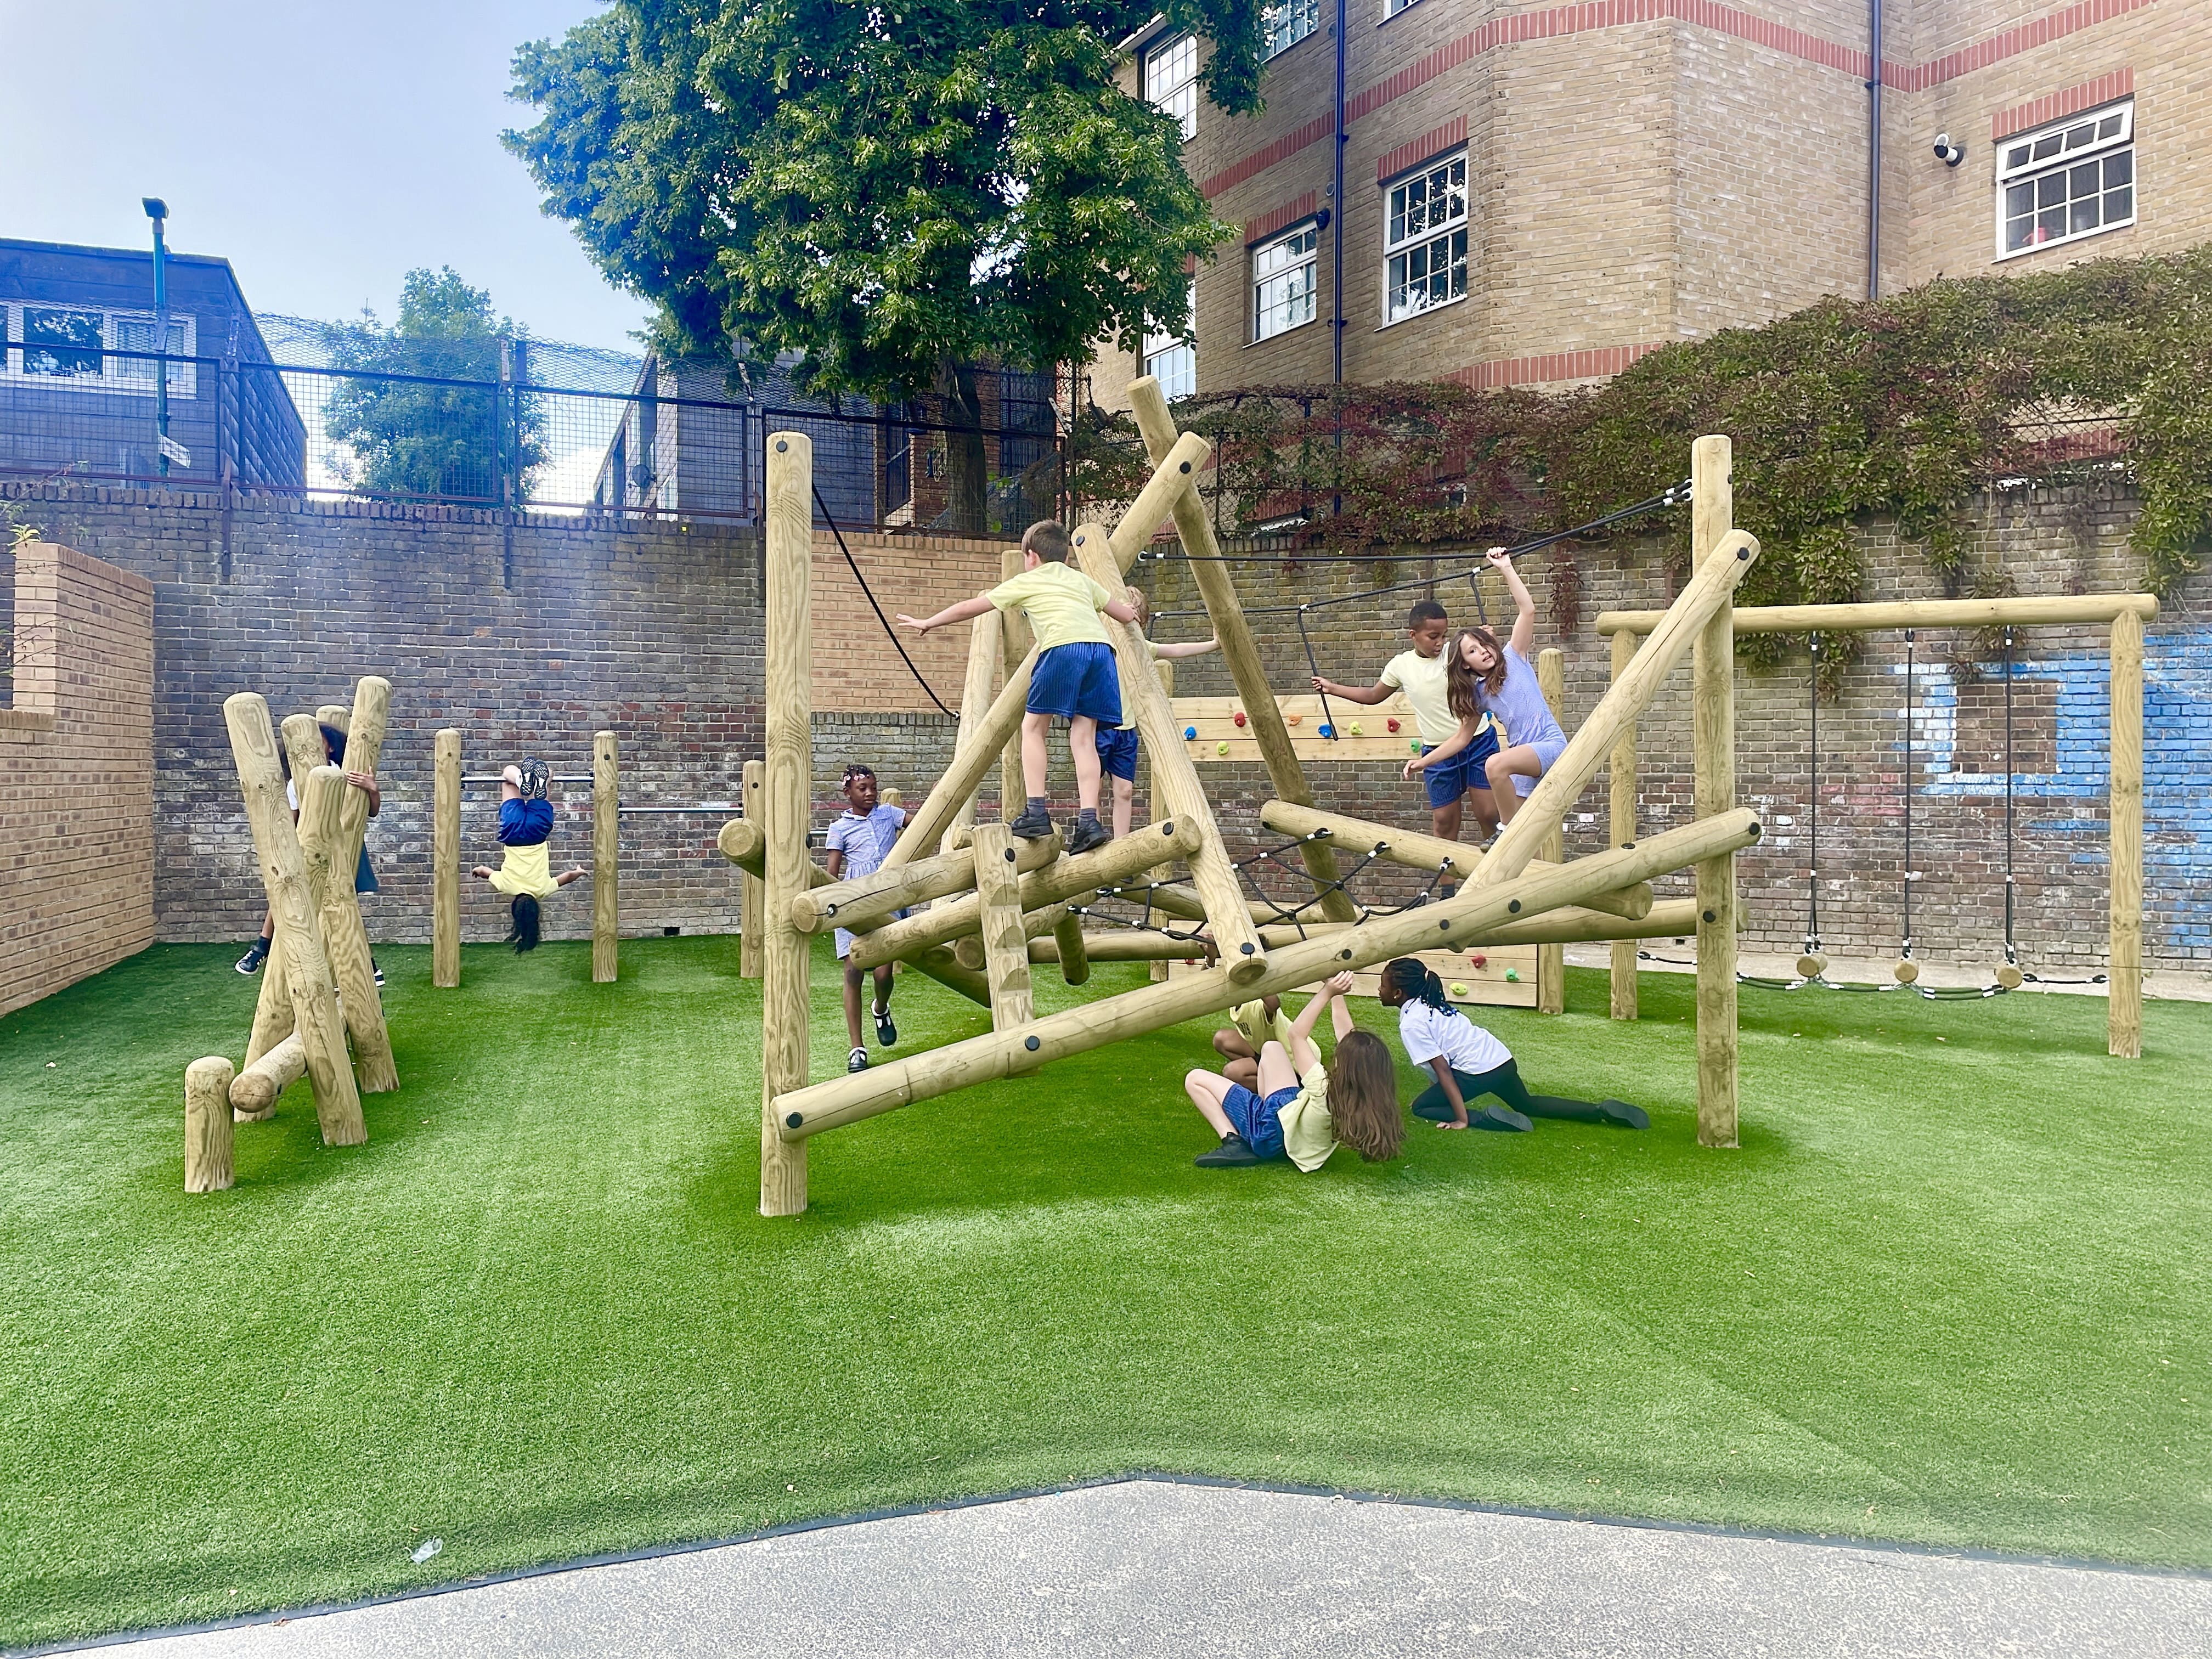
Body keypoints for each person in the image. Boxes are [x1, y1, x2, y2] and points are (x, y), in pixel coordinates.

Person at [896, 520, 1139, 854]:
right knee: (1084, 737)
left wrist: (929, 622)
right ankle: (1089, 822)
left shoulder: (1028, 580)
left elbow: (973, 606)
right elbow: (1124, 615)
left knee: (1033, 729)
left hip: (1062, 650)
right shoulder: (1082, 581)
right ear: (1064, 557)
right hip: (1101, 653)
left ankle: (1037, 811)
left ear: (1031, 556)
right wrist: (1135, 613)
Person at [1312, 598, 1498, 873]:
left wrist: (1486, 642)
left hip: (1478, 743)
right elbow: (1373, 696)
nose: (1439, 642)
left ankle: (1496, 877)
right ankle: (1445, 893)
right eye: (1433, 636)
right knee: (1445, 823)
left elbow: (1482, 656)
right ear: (1414, 635)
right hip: (1437, 751)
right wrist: (1332, 688)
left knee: (1489, 814)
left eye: (1443, 635)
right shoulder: (1401, 666)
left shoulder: (1454, 654)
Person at [1376, 958, 1647, 1131]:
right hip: (1501, 1060)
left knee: (1421, 1107)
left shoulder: (1412, 1022)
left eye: (1383, 986)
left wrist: (1462, 1119)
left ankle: (1485, 1119)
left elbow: (1444, 1071)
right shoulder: (1431, 1002)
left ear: (1398, 993)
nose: (1380, 991)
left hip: (1477, 1072)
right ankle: (1598, 1111)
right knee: (1528, 1104)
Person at [1405, 549, 1567, 829]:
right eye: (1473, 651)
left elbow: (1528, 610)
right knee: (1526, 839)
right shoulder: (1478, 695)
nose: (1483, 652)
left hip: (1549, 746)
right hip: (1520, 765)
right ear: (1465, 664)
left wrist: (1505, 567)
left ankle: (1503, 832)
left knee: (1494, 765)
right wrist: (1424, 762)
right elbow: (1460, 740)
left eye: (1483, 645)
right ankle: (1520, 852)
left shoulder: (1514, 657)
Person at [1182, 973, 1404, 1169]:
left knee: (1195, 1079)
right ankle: (1261, 1109)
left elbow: (1296, 1034)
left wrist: (1327, 992)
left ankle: (1234, 1142)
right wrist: (1336, 991)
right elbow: (1347, 1034)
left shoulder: (1321, 1086)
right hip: (1292, 1122)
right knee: (1272, 1048)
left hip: (1271, 1137)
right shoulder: (1361, 1095)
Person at [235, 721, 385, 984]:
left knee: (344, 903)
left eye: (321, 740)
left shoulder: (346, 773)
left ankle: (368, 964)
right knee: (286, 891)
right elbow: (294, 821)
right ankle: (261, 947)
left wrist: (373, 789)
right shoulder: (296, 783)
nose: (314, 746)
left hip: (342, 847)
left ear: (330, 745)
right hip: (311, 846)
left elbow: (371, 811)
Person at [1101, 588, 1217, 839]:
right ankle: (1089, 836)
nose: (1135, 632)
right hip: (1098, 726)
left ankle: (1120, 845)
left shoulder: (1140, 647)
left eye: (1139, 626)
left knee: (1124, 791)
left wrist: (1214, 644)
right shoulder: (1101, 641)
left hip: (1126, 729)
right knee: (1091, 786)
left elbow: (1175, 649)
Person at [823, 763, 913, 1075]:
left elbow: (923, 826)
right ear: (847, 793)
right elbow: (831, 875)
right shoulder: (840, 828)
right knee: (853, 973)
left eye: (873, 787)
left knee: (883, 975)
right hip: (854, 902)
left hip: (889, 898)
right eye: (862, 789)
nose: (870, 793)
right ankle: (856, 1048)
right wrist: (831, 907)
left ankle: (881, 1008)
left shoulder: (889, 814)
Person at [471, 757, 588, 953]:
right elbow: (485, 871)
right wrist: (477, 871)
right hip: (512, 832)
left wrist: (578, 872)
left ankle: (534, 783)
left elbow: (565, 878)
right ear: (515, 907)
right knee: (508, 773)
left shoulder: (542, 890)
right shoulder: (505, 886)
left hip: (537, 832)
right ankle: (518, 781)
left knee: (548, 774)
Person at [1210, 995, 1296, 1090]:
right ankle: (1264, 1072)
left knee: (1232, 1072)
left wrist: (1258, 984)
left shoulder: (1257, 1005)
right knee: (1221, 1039)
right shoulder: (1238, 1002)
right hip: (1266, 1049)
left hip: (1292, 1061)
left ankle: (1286, 1085)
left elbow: (1273, 1005)